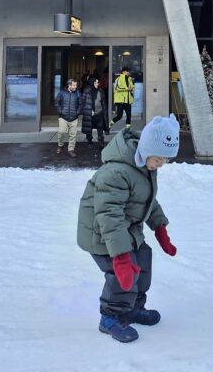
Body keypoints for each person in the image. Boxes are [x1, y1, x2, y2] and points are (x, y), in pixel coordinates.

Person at [76, 115, 181, 343]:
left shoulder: (143, 165)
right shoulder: (115, 172)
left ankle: (131, 308)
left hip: (127, 229)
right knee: (123, 273)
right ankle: (110, 318)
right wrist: (121, 257)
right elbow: (109, 216)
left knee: (143, 258)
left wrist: (160, 228)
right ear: (146, 149)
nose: (161, 164)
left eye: (165, 160)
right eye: (159, 159)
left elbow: (147, 200)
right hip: (102, 233)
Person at [55, 78, 83, 157]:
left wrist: (77, 113)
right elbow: (57, 103)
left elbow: (81, 104)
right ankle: (60, 145)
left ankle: (71, 149)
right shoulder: (62, 93)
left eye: (76, 85)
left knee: (73, 134)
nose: (75, 86)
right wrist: (61, 111)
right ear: (69, 85)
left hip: (74, 118)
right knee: (61, 132)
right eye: (74, 85)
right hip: (63, 117)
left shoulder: (78, 93)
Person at [82, 76, 108, 145]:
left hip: (99, 113)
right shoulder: (87, 91)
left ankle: (101, 141)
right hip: (90, 115)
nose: (97, 84)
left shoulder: (101, 91)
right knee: (89, 129)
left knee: (100, 128)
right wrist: (88, 111)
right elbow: (82, 103)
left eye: (98, 83)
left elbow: (104, 103)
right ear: (92, 83)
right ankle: (90, 142)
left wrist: (104, 112)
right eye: (95, 83)